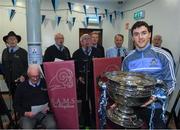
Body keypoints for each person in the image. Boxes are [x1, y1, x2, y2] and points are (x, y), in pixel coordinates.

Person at [122, 21, 176, 129]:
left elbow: (171, 83)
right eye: (136, 34)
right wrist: (120, 100)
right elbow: (124, 83)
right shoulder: (127, 59)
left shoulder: (163, 55)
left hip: (156, 107)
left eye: (144, 33)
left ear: (149, 34)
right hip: (134, 107)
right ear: (132, 37)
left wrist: (155, 97)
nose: (140, 37)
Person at [13, 64, 56, 129]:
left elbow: (53, 98)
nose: (35, 79)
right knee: (27, 128)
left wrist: (49, 107)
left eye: (37, 76)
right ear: (28, 75)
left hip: (44, 113)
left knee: (52, 125)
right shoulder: (21, 87)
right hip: (28, 115)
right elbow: (15, 105)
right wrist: (25, 113)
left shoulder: (46, 83)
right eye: (33, 76)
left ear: (40, 75)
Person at [72, 34, 101, 128]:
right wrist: (78, 77)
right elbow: (74, 68)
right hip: (83, 81)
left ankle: (95, 121)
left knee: (94, 101)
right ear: (81, 42)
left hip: (94, 81)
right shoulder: (76, 53)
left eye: (89, 38)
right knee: (84, 102)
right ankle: (86, 122)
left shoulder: (98, 52)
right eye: (85, 39)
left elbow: (102, 66)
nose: (87, 40)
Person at [2, 31, 28, 97]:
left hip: (20, 81)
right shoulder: (5, 52)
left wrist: (24, 76)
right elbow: (3, 65)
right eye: (10, 39)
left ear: (17, 40)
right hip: (9, 82)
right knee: (14, 99)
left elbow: (27, 66)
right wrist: (5, 77)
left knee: (22, 99)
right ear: (7, 41)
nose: (12, 41)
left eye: (14, 39)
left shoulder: (23, 52)